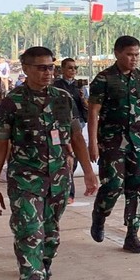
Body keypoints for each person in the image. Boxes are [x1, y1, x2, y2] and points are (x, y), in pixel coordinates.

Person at [0, 46, 98, 280]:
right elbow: (1, 145)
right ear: (25, 69)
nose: (48, 72)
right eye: (41, 67)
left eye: (51, 67)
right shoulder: (12, 102)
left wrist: (87, 172)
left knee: (50, 234)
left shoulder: (63, 98)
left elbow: (76, 138)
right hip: (25, 179)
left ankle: (43, 271)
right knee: (29, 232)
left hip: (58, 179)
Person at [87, 36, 140, 254]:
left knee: (137, 188)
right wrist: (93, 143)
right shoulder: (104, 79)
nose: (134, 59)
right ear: (117, 53)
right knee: (113, 185)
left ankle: (132, 234)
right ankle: (100, 214)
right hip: (112, 141)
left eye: (136, 55)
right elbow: (93, 112)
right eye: (129, 54)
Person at [53, 58, 88, 204]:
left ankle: (68, 190)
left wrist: (83, 99)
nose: (73, 71)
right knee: (64, 159)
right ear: (62, 70)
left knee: (74, 160)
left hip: (76, 124)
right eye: (70, 68)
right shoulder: (56, 86)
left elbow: (86, 108)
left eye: (75, 68)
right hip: (60, 126)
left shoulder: (79, 87)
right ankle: (67, 192)